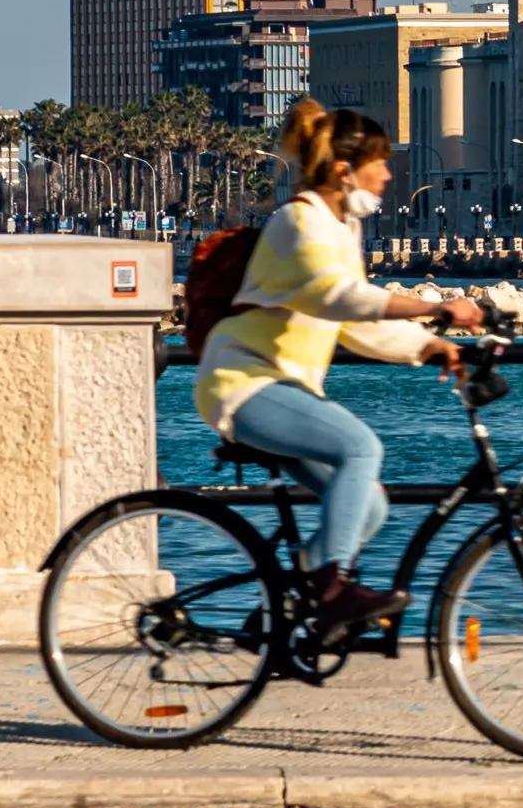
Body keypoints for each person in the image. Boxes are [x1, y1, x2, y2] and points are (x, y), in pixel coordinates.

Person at [196, 100, 486, 644]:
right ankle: (332, 592)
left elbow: (356, 324)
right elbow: (338, 297)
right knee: (361, 448)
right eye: (380, 163)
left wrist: (429, 345)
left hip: (285, 389)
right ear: (343, 170)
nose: (388, 175)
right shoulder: (298, 221)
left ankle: (285, 605)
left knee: (369, 506)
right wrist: (435, 307)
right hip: (244, 382)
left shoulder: (339, 230)